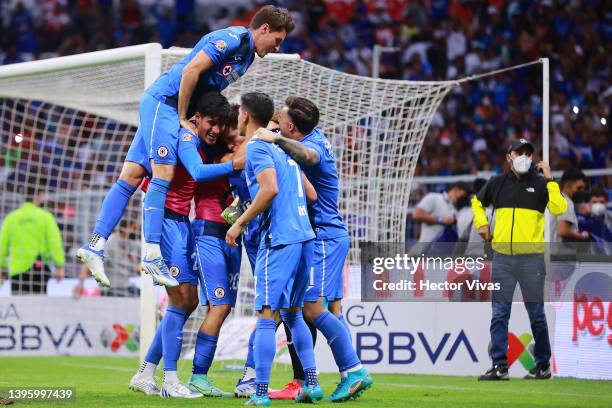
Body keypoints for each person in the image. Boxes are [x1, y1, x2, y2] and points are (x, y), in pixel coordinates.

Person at [77, 6, 294, 288]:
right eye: (277, 40)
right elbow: (191, 70)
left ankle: (94, 246)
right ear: (264, 28)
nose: (277, 47)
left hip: (168, 107)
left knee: (130, 177)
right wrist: (182, 116)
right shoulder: (232, 38)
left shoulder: (247, 57)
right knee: (163, 175)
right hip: (165, 102)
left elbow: (209, 88)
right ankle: (152, 253)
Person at [255, 97, 372, 402]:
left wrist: (276, 139)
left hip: (323, 237)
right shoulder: (306, 133)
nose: (276, 121)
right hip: (323, 237)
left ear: (291, 127)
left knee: (310, 308)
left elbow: (307, 156)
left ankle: (354, 370)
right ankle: (319, 380)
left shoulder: (312, 147)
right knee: (324, 309)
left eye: (281, 119)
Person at [129, 92, 237, 399]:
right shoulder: (186, 138)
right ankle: (170, 380)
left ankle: (146, 371)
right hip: (166, 221)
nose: (215, 130)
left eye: (220, 124)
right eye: (211, 123)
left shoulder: (201, 141)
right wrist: (235, 164)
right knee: (181, 300)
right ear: (197, 118)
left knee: (187, 302)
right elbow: (196, 173)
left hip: (180, 223)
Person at [225, 92, 322, 406]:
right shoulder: (283, 149)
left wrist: (239, 221)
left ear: (245, 114)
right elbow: (310, 194)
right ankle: (312, 384)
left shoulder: (256, 146)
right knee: (293, 315)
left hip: (279, 239)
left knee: (267, 316)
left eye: (238, 111)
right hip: (305, 236)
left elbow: (269, 189)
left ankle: (261, 394)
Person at [472, 139, 567, 381]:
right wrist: (482, 225)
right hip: (502, 258)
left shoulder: (541, 183)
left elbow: (559, 209)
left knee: (536, 313)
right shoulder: (497, 183)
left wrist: (550, 179)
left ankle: (543, 365)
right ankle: (500, 366)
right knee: (499, 314)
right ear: (509, 156)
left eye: (528, 153)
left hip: (531, 260)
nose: (525, 156)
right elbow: (476, 201)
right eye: (519, 152)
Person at [187, 104, 244, 397]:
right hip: (208, 233)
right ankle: (196, 376)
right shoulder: (214, 156)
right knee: (217, 306)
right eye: (232, 134)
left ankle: (198, 376)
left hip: (231, 237)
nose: (233, 138)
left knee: (221, 307)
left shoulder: (232, 154)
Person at [0, 184, 65, 294]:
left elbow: (2, 245)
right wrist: (60, 265)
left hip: (17, 269)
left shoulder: (11, 218)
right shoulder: (45, 216)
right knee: (38, 308)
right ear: (38, 196)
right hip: (39, 269)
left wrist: (2, 266)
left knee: (19, 307)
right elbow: (55, 242)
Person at [551, 169, 589, 242]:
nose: (582, 192)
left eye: (583, 189)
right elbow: (563, 230)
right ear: (567, 185)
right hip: (559, 251)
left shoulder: (554, 199)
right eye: (579, 188)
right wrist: (582, 236)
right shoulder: (566, 201)